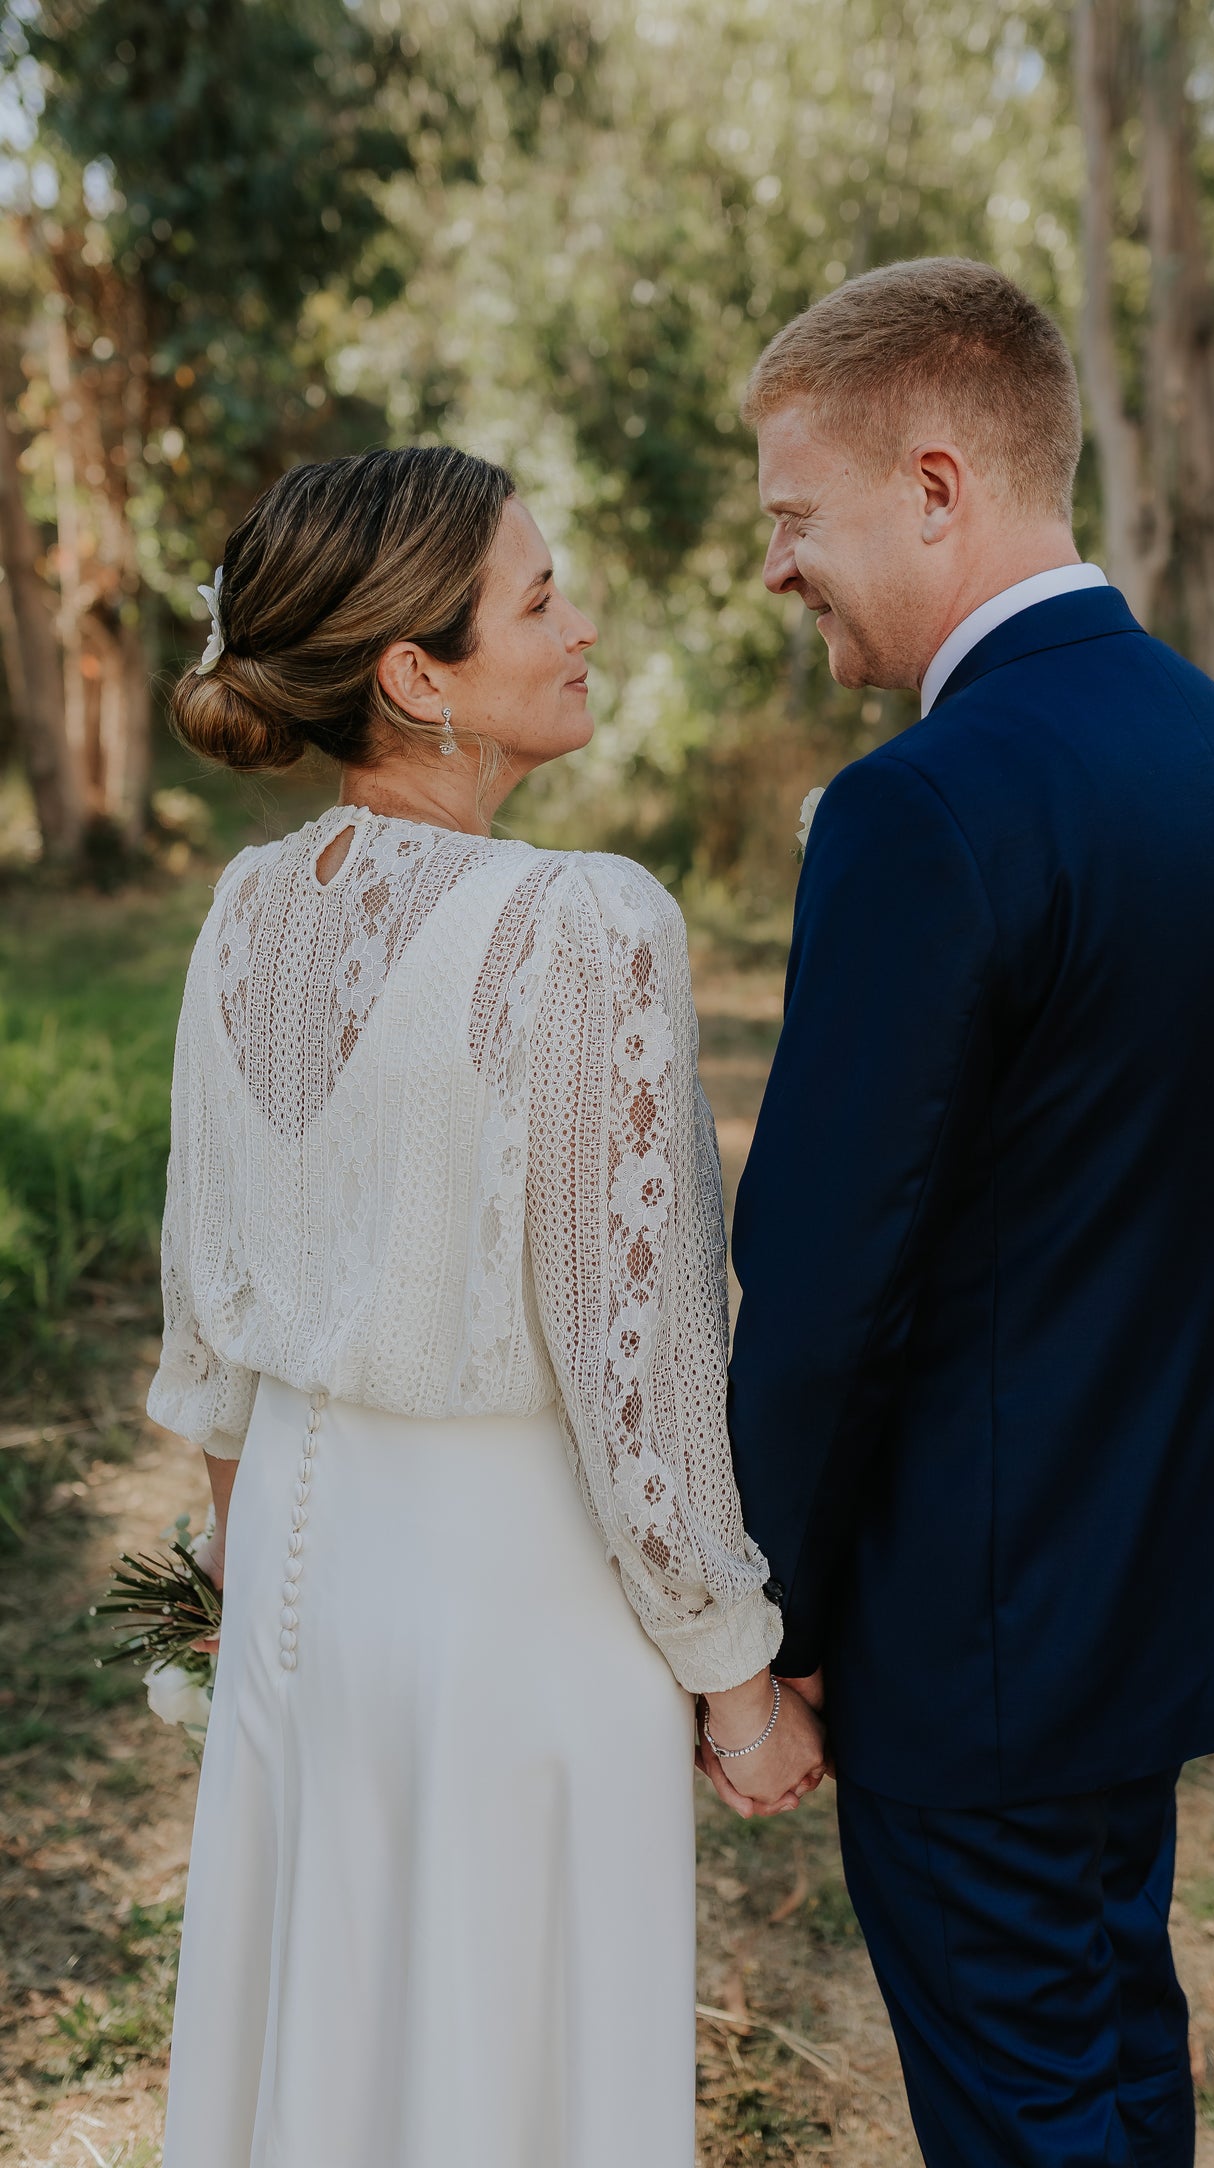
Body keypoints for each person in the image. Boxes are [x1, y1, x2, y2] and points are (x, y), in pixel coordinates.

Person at [149, 444, 825, 2168]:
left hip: (300, 1583)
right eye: (539, 596)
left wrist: (238, 1597)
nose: (582, 623)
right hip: (507, 1603)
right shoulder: (581, 925)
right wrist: (734, 1679)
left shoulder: (240, 915)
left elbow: (210, 1338)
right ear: (415, 675)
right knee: (504, 2072)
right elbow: (643, 1372)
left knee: (335, 2038)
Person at [719, 260, 1214, 2168]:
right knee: (1114, 2065)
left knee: (1025, 2113)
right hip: (1142, 1572)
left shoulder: (926, 807)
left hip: (965, 1622)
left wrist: (770, 1615)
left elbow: (822, 1277)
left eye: (793, 518)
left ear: (935, 483)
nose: (775, 567)